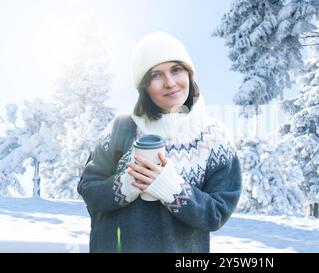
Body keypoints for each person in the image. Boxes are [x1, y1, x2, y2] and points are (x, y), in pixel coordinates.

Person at [78, 31, 242, 253]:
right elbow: (88, 189)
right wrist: (124, 186)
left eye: (176, 69)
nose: (170, 83)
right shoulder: (122, 127)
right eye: (156, 75)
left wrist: (174, 190)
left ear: (189, 73)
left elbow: (216, 213)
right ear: (143, 86)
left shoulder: (214, 137)